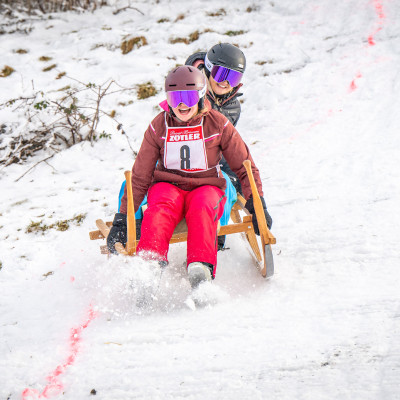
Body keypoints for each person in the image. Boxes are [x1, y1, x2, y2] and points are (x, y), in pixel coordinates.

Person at [107, 65, 272, 288]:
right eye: (176, 98)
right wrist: (122, 218)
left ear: (201, 95)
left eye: (189, 96)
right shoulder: (159, 126)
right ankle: (149, 265)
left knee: (204, 207)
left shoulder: (218, 123)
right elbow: (139, 176)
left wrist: (256, 202)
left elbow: (244, 166)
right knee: (159, 208)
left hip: (206, 186)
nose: (182, 105)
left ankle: (200, 268)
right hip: (168, 185)